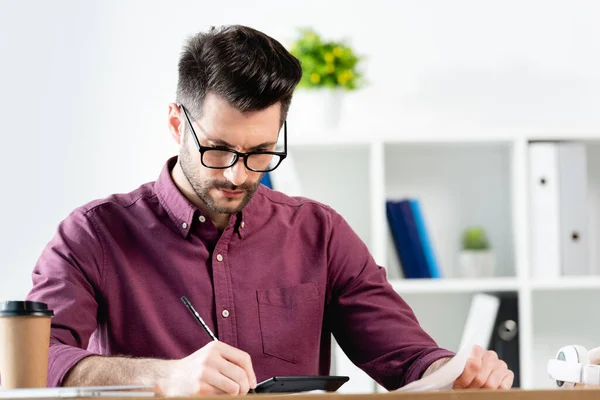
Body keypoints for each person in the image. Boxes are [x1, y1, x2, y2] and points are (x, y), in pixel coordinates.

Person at [26, 25, 513, 396]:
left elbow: (406, 355)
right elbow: (32, 362)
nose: (238, 175)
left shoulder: (320, 233)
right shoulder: (92, 235)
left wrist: (456, 372)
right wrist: (165, 377)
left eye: (261, 152)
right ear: (177, 123)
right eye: (218, 150)